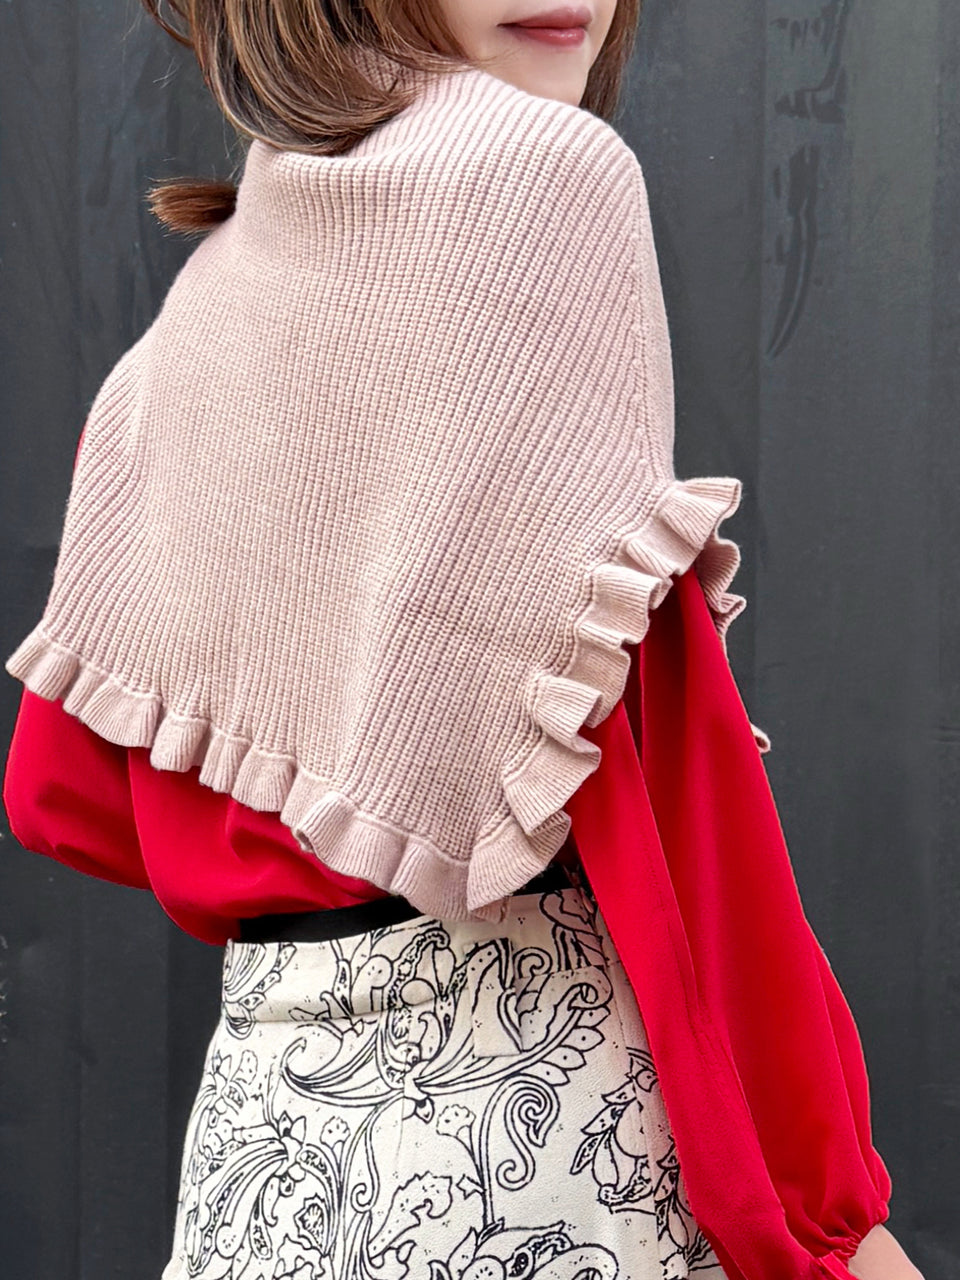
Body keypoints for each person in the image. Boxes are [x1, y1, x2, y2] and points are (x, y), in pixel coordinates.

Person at [1, 2, 923, 1278]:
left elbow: (63, 795)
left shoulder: (207, 299)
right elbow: (667, 801)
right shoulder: (544, 176)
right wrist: (831, 1222)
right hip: (539, 1146)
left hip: (261, 1165)